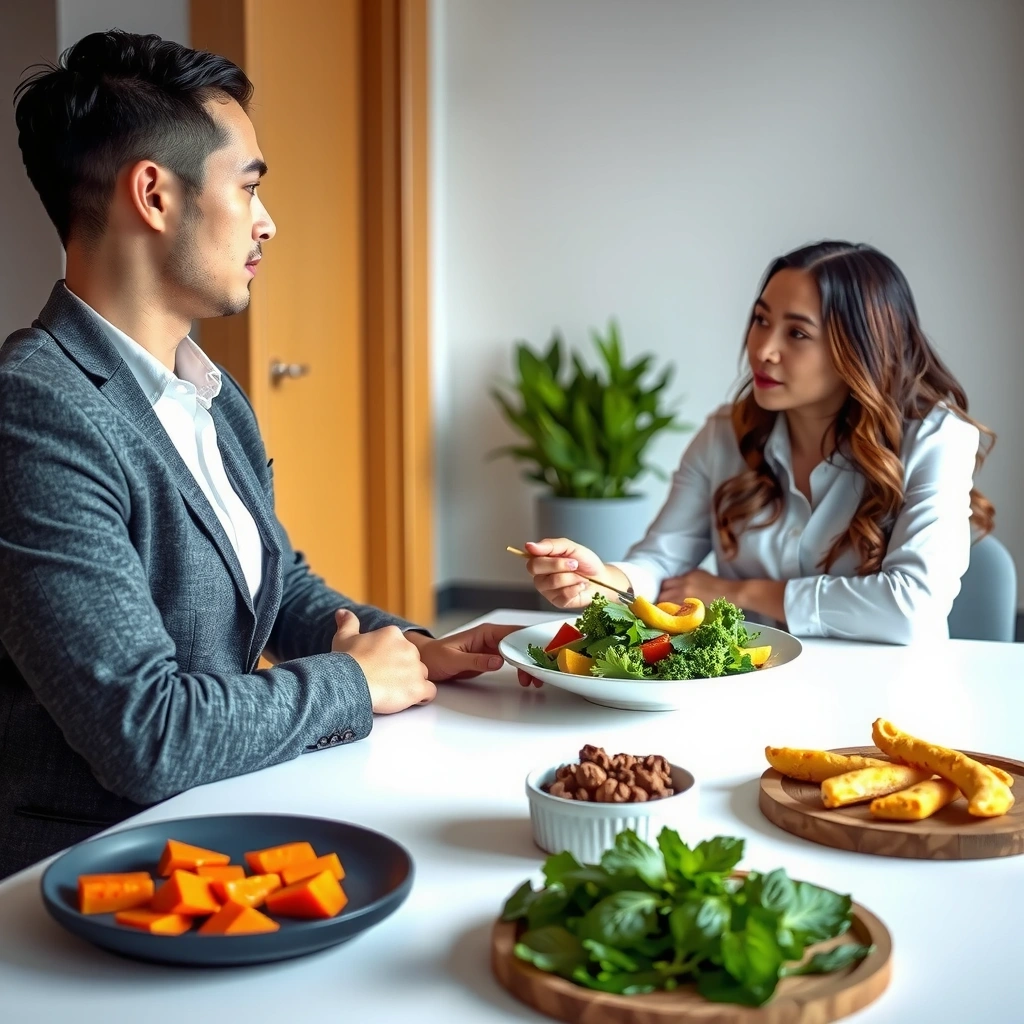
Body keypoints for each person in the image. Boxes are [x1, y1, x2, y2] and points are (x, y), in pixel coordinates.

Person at [0, 30, 516, 879]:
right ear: (155, 196)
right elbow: (147, 735)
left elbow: (272, 584)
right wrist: (352, 684)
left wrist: (410, 646)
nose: (267, 222)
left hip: (219, 825)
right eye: (249, 187)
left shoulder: (209, 391)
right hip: (91, 879)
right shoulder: (39, 409)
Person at [524, 241, 995, 647]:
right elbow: (662, 563)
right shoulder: (723, 435)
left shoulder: (937, 438)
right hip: (754, 686)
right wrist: (600, 580)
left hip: (891, 699)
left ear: (860, 348)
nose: (763, 349)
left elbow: (911, 607)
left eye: (797, 333)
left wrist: (741, 593)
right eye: (761, 320)